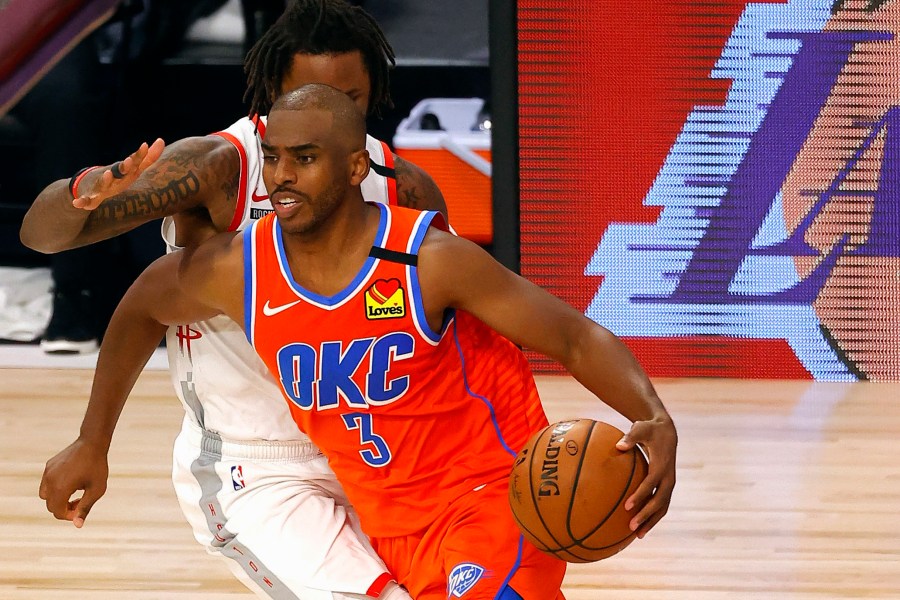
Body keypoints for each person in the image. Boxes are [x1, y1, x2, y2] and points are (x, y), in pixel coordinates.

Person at [106, 83, 678, 599]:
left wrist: (652, 413)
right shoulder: (242, 268)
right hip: (385, 527)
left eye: (305, 159)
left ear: (357, 167)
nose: (282, 175)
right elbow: (140, 307)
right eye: (275, 158)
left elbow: (574, 338)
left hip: (492, 501)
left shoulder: (429, 260)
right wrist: (90, 442)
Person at [31, 1, 445, 598]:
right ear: (272, 95)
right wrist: (85, 194)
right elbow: (47, 237)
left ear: (374, 93)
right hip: (258, 465)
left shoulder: (405, 185)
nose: (329, 119)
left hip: (376, 455)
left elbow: (461, 343)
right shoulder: (217, 169)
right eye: (310, 99)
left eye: (349, 100)